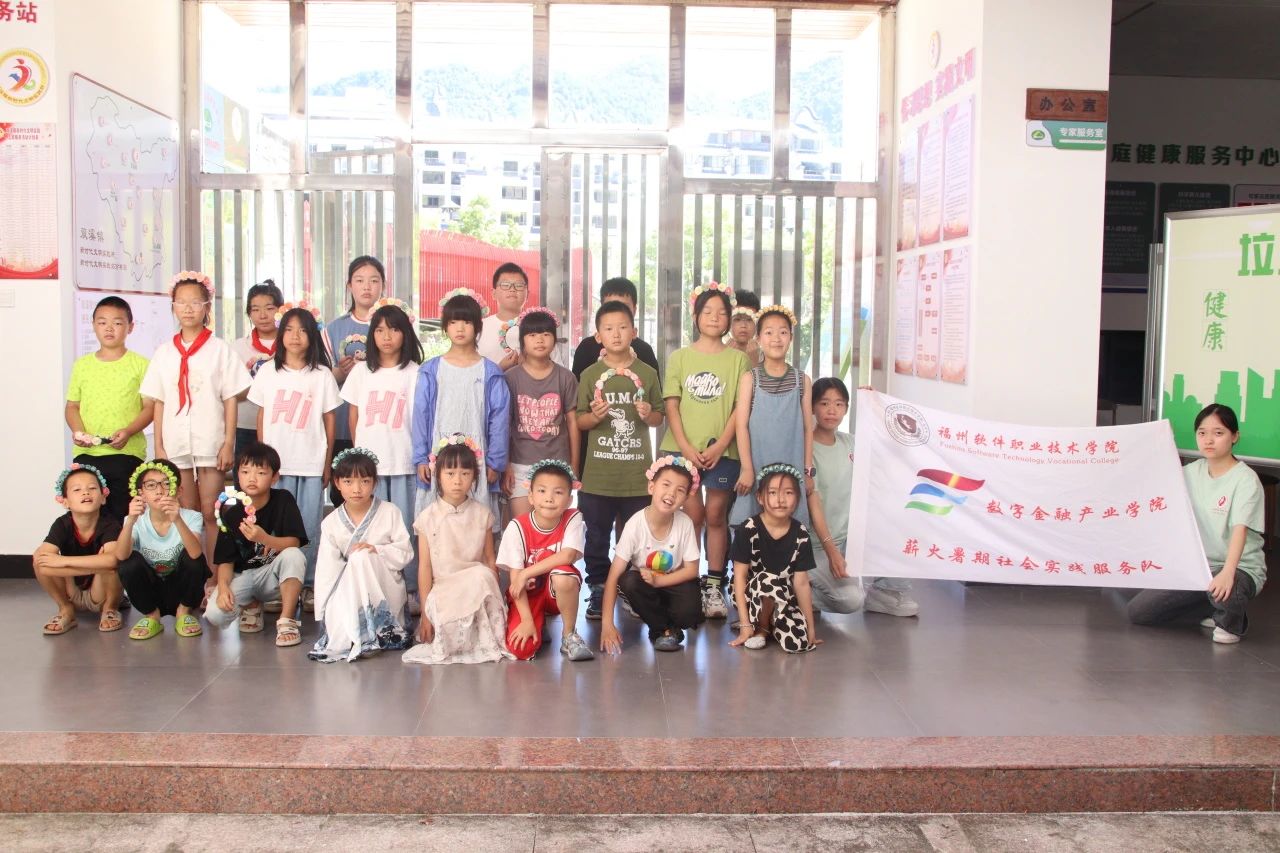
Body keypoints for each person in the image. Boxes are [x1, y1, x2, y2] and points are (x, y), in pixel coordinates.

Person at [1128, 403, 1266, 644]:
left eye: (1218, 433)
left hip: (1239, 567)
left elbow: (1240, 531)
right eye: (1202, 433)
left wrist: (1227, 572)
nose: (1209, 440)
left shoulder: (1245, 480)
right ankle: (1212, 605)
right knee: (1139, 612)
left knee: (1229, 589)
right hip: (1199, 568)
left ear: (1235, 436)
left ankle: (1230, 621)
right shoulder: (1190, 473)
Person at [141, 271, 251, 559]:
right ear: (173, 307)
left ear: (207, 307)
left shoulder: (220, 350)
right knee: (186, 511)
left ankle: (215, 575)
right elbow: (159, 402)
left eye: (195, 302)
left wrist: (228, 443)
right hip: (175, 442)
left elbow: (230, 398)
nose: (188, 309)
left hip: (210, 440)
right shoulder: (164, 353)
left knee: (211, 510)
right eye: (181, 302)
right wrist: (159, 446)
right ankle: (193, 574)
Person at [659, 281, 750, 619]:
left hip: (723, 453)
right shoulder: (680, 357)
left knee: (715, 514)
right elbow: (671, 405)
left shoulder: (738, 359)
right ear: (695, 316)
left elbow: (740, 408)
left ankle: (714, 584)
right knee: (691, 515)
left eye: (722, 313)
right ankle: (686, 579)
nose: (714, 317)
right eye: (707, 311)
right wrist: (685, 447)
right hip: (681, 451)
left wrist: (723, 444)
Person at [248, 305, 340, 610]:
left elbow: (329, 420)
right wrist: (262, 463)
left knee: (309, 525)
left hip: (311, 463)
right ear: (281, 335)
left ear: (312, 335)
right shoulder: (268, 372)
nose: (295, 336)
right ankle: (276, 585)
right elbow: (261, 416)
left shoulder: (322, 375)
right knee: (274, 525)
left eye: (302, 330)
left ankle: (308, 584)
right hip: (277, 466)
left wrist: (327, 463)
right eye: (288, 329)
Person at [575, 300, 664, 620]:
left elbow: (659, 416)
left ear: (634, 332)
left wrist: (648, 414)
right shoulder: (590, 374)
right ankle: (598, 587)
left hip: (637, 475)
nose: (616, 334)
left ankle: (631, 588)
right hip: (598, 475)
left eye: (623, 327)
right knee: (596, 535)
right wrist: (594, 417)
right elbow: (580, 420)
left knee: (636, 535)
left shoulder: (647, 373)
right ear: (598, 335)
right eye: (609, 328)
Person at [806, 378, 919, 617]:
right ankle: (797, 593)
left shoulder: (850, 443)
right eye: (824, 403)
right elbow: (812, 503)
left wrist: (875, 406)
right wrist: (831, 551)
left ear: (847, 408)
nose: (831, 410)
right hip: (816, 545)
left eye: (839, 404)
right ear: (812, 407)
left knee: (898, 526)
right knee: (850, 600)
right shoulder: (807, 449)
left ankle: (885, 593)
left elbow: (893, 446)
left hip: (849, 539)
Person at [403, 436, 513, 665]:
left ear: (474, 476)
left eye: (465, 473)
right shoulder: (427, 518)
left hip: (475, 586)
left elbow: (489, 559)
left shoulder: (482, 514)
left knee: (482, 574)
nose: (457, 481)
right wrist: (425, 615)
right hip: (444, 588)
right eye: (450, 473)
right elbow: (425, 567)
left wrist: (498, 602)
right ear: (437, 475)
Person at [341, 303, 423, 605]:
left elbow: (421, 418)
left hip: (403, 461)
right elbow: (354, 416)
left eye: (394, 329)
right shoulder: (362, 371)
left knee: (405, 528)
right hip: (370, 468)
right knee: (372, 528)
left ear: (406, 333)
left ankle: (410, 589)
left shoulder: (415, 372)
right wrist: (359, 457)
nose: (386, 336)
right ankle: (375, 589)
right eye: (379, 330)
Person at [411, 289, 510, 522]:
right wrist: (421, 458)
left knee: (477, 522)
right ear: (445, 327)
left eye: (467, 322)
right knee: (437, 521)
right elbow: (420, 416)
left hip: (479, 456)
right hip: (437, 454)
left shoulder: (491, 372)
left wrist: (495, 462)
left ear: (477, 326)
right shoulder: (431, 370)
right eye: (453, 322)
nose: (460, 328)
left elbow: (500, 420)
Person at [309, 448, 413, 662]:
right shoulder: (330, 523)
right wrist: (324, 612)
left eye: (364, 481)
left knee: (361, 556)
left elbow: (405, 552)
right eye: (348, 481)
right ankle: (361, 634)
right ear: (337, 483)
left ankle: (374, 633)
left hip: (383, 583)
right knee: (356, 560)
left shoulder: (390, 511)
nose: (356, 489)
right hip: (346, 587)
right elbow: (327, 570)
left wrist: (377, 551)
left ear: (374, 482)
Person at [203, 443, 309, 647]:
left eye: (260, 472)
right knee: (215, 615)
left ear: (274, 477)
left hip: (272, 575)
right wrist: (223, 587)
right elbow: (226, 561)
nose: (252, 478)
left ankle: (287, 620)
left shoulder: (283, 499)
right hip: (244, 576)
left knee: (294, 556)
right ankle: (251, 605)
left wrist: (264, 538)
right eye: (245, 472)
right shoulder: (231, 514)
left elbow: (294, 542)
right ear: (238, 475)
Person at [600, 456, 704, 654]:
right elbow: (613, 576)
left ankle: (668, 622)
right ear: (651, 487)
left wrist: (660, 582)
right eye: (666, 484)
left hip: (673, 580)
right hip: (645, 583)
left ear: (685, 499)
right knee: (628, 581)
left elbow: (692, 570)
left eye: (680, 490)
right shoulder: (634, 525)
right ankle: (663, 629)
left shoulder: (685, 523)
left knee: (689, 615)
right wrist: (607, 624)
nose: (671, 493)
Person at [65, 295, 154, 521]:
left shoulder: (141, 364)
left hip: (126, 453)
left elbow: (149, 408)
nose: (109, 328)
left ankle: (121, 546)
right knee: (87, 516)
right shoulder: (82, 365)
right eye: (102, 322)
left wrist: (128, 431)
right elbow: (72, 406)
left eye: (117, 322)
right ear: (93, 325)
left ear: (130, 327)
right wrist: (78, 432)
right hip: (88, 453)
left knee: (123, 515)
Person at [496, 459, 593, 662]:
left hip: (556, 592)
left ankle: (569, 635)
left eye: (558, 492)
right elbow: (516, 581)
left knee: (563, 575)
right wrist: (527, 620)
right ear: (530, 496)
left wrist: (527, 572)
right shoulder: (517, 527)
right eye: (541, 491)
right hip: (528, 594)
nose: (549, 498)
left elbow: (568, 555)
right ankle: (537, 622)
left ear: (569, 499)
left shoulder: (573, 517)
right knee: (520, 649)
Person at [731, 305, 814, 528]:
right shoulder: (750, 379)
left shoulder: (802, 380)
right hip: (757, 465)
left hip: (793, 466)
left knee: (790, 530)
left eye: (783, 332)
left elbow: (808, 428)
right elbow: (741, 426)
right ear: (758, 339)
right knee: (751, 528)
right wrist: (747, 468)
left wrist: (808, 471)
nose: (776, 338)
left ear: (791, 338)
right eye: (769, 332)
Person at [113, 459, 208, 640]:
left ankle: (183, 612)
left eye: (166, 484)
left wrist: (177, 519)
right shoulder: (135, 520)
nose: (159, 491)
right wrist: (131, 520)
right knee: (128, 563)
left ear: (179, 491)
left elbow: (196, 554)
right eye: (151, 485)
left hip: (181, 590)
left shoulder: (192, 517)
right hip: (152, 591)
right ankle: (152, 616)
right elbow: (121, 555)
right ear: (140, 492)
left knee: (193, 559)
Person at [729, 464, 819, 654]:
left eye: (788, 493)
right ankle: (760, 628)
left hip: (783, 596)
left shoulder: (801, 533)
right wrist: (745, 625)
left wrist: (810, 628)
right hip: (749, 593)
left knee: (799, 643)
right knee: (767, 579)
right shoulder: (748, 529)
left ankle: (771, 622)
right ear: (760, 497)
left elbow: (801, 583)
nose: (780, 500)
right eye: (772, 493)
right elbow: (739, 577)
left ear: (797, 498)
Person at [504, 307, 580, 520]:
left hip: (557, 464)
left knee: (552, 528)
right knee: (522, 527)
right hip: (519, 465)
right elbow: (505, 425)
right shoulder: (511, 378)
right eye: (532, 334)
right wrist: (506, 465)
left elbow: (573, 423)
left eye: (546, 334)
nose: (539, 340)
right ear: (522, 341)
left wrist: (574, 465)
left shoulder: (566, 378)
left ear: (554, 340)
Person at [323, 256, 386, 504]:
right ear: (349, 285)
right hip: (341, 424)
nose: (367, 287)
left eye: (374, 280)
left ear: (383, 285)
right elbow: (319, 380)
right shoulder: (332, 329)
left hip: (380, 425)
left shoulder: (393, 326)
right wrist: (340, 373)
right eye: (359, 280)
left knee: (378, 491)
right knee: (344, 492)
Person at [33, 464, 124, 635]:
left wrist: (63, 561)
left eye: (92, 488)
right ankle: (65, 609)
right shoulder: (62, 524)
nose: (86, 493)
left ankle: (110, 609)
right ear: (65, 501)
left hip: (101, 592)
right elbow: (41, 562)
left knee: (115, 560)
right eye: (77, 490)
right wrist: (98, 565)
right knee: (39, 560)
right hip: (71, 591)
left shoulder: (110, 524)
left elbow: (112, 561)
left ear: (103, 497)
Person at [231, 279, 285, 466]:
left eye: (269, 308)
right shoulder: (237, 348)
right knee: (247, 478)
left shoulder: (292, 346)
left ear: (281, 310)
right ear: (249, 313)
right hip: (246, 425)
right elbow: (229, 392)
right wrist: (257, 386)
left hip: (283, 426)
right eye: (255, 309)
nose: (263, 315)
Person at [570, 277, 660, 378]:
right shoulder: (586, 348)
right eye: (611, 307)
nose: (617, 312)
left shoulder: (645, 351)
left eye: (624, 307)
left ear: (634, 310)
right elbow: (578, 385)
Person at [477, 262, 528, 371]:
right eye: (505, 285)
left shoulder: (539, 326)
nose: (512, 289)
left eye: (519, 285)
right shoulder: (478, 327)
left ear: (527, 293)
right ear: (493, 293)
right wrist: (499, 369)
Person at [727, 289, 761, 368]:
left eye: (749, 320)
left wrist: (754, 361)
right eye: (737, 319)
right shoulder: (719, 352)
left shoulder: (769, 355)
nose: (743, 325)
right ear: (728, 322)